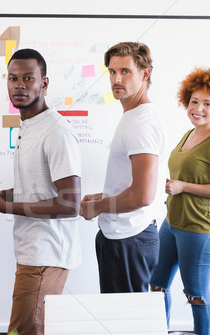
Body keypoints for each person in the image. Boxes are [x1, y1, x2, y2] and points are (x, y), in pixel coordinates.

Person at [0, 49, 82, 335]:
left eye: (28, 78)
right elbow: (38, 186)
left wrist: (6, 207)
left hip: (46, 253)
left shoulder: (56, 131)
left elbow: (70, 204)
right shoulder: (28, 126)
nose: (19, 85)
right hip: (32, 251)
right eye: (13, 78)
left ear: (44, 83)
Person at [150, 67, 210, 335]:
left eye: (207, 103)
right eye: (194, 101)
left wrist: (183, 186)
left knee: (196, 295)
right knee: (156, 286)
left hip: (200, 230)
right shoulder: (189, 134)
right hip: (173, 223)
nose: (198, 108)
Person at [80, 42, 165, 294]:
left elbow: (142, 195)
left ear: (145, 74)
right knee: (118, 317)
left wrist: (98, 206)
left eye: (125, 71)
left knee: (127, 324)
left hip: (130, 238)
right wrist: (103, 198)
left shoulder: (142, 124)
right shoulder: (133, 117)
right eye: (112, 71)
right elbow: (131, 184)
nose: (116, 79)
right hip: (121, 235)